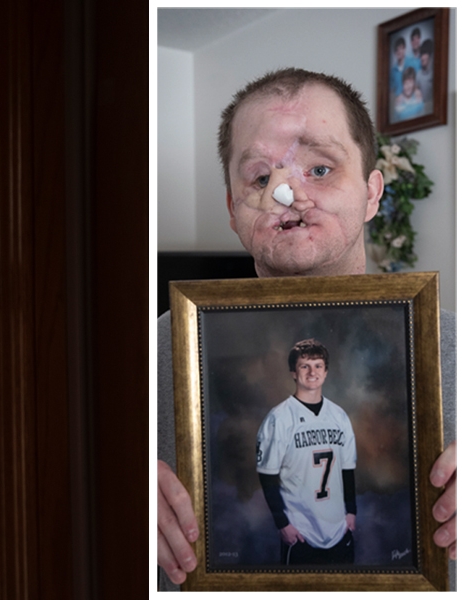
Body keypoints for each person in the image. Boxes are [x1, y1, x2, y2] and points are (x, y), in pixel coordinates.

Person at [157, 68, 456, 589]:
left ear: (371, 192)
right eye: (259, 177)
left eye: (320, 168)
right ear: (232, 209)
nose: (286, 193)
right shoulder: (157, 349)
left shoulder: (451, 344)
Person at [256, 339, 357, 565]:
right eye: (305, 366)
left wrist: (351, 512)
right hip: (301, 532)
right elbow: (267, 475)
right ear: (293, 372)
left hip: (339, 529)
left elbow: (347, 469)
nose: (312, 372)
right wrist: (283, 524)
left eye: (318, 365)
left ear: (326, 371)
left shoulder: (339, 415)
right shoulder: (279, 418)